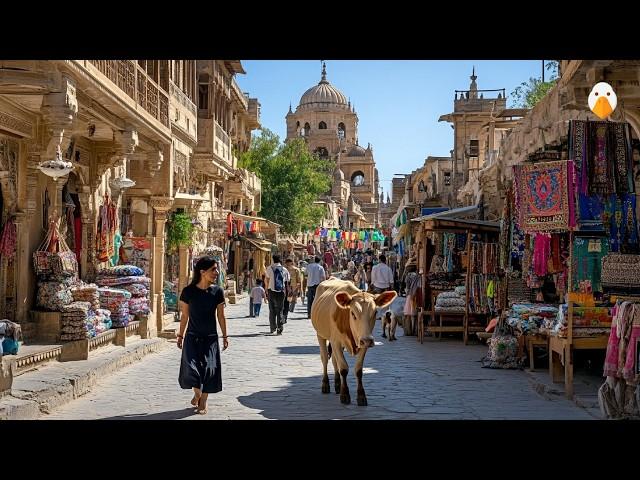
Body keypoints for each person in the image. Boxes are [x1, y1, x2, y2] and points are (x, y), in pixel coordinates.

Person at [177, 256, 228, 415]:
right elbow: (184, 316)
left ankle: (203, 402)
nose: (216, 272)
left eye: (216, 269)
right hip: (192, 337)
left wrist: (225, 336)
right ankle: (198, 394)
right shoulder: (188, 292)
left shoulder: (217, 291)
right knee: (192, 370)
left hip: (210, 339)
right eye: (213, 269)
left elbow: (220, 316)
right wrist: (180, 335)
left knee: (209, 371)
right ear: (202, 272)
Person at [265, 254, 290, 335]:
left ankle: (272, 328)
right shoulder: (284, 269)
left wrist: (266, 289)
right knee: (280, 310)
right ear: (280, 260)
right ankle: (280, 328)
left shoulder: (269, 268)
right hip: (281, 292)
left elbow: (267, 280)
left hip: (271, 291)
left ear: (273, 259)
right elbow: (287, 281)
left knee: (272, 310)